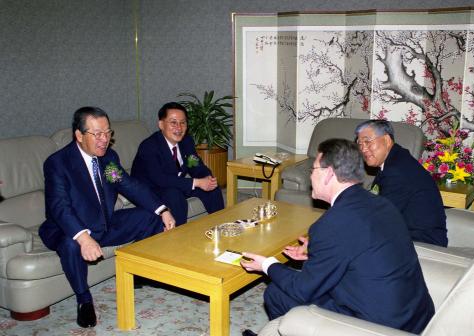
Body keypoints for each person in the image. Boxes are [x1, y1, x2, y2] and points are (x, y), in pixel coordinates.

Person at [240, 139, 435, 336]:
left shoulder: (331, 224)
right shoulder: (382, 204)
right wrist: (315, 251)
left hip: (377, 327)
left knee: (277, 293)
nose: (310, 175)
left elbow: (302, 289)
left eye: (313, 169)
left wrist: (267, 264)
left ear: (329, 174)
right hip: (414, 318)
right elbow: (358, 249)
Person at [39, 107, 176, 328]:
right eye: (98, 134)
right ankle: (84, 300)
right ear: (79, 135)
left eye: (108, 133)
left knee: (150, 218)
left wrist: (162, 209)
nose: (105, 140)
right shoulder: (58, 163)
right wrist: (83, 238)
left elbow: (128, 185)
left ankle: (139, 274)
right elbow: (60, 207)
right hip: (68, 228)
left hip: (104, 223)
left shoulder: (107, 159)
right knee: (70, 244)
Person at [355, 119, 448, 247]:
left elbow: (379, 219)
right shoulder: (396, 160)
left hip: (422, 244)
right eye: (359, 144)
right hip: (405, 236)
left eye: (367, 141)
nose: (363, 148)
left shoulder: (397, 171)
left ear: (387, 140)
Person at [131, 102, 224, 225]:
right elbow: (160, 179)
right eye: (173, 122)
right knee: (174, 195)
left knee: (212, 188)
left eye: (183, 122)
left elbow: (194, 165)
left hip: (174, 184)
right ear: (161, 124)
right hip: (151, 190)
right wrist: (196, 182)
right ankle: (178, 237)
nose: (179, 128)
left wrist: (207, 178)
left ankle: (221, 226)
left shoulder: (186, 141)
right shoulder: (149, 146)